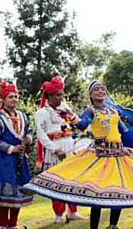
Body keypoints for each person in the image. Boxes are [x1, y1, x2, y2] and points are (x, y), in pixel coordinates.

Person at [23, 80, 133, 229]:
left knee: (118, 191)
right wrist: (71, 116)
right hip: (101, 155)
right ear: (91, 95)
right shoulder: (90, 111)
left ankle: (112, 225)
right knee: (99, 194)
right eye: (96, 89)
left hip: (119, 153)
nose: (101, 91)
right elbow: (82, 125)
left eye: (103, 88)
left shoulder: (114, 110)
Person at [33, 76, 84, 223]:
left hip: (69, 147)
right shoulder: (42, 113)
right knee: (57, 183)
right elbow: (41, 135)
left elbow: (77, 126)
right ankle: (58, 215)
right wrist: (55, 149)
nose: (61, 97)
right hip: (54, 150)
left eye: (62, 94)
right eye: (58, 95)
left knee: (72, 181)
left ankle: (73, 211)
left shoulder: (65, 109)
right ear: (49, 95)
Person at [0, 81, 33, 229]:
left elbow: (29, 131)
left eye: (16, 96)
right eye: (11, 97)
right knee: (7, 193)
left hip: (20, 161)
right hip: (5, 161)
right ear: (4, 99)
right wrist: (11, 148)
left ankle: (13, 225)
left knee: (19, 192)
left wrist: (29, 138)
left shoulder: (23, 117)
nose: (14, 99)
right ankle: (2, 225)